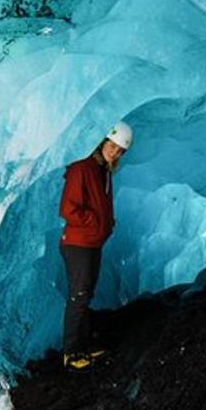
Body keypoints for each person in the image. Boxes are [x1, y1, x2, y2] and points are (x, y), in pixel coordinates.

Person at [57, 121, 133, 371]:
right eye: (113, 146)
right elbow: (68, 209)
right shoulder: (83, 168)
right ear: (103, 142)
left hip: (91, 243)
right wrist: (96, 222)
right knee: (78, 296)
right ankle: (71, 354)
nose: (116, 153)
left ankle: (83, 346)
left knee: (84, 295)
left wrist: (104, 223)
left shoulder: (103, 171)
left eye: (120, 150)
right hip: (79, 244)